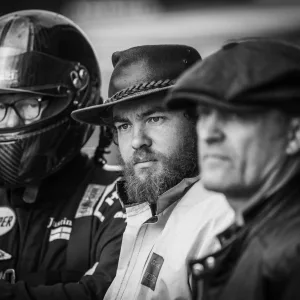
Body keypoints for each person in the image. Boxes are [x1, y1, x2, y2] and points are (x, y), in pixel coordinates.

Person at [72, 44, 234, 300]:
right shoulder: (142, 212)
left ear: (200, 119)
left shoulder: (221, 220)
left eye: (155, 119)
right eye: (124, 125)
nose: (137, 140)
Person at [0, 10, 126, 300]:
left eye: (28, 104)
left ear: (71, 103)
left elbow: (107, 293)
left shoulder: (118, 196)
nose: (7, 123)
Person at [165, 39, 300, 300]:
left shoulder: (290, 254)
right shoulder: (261, 234)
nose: (209, 134)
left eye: (235, 114)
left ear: (294, 135)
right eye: (204, 113)